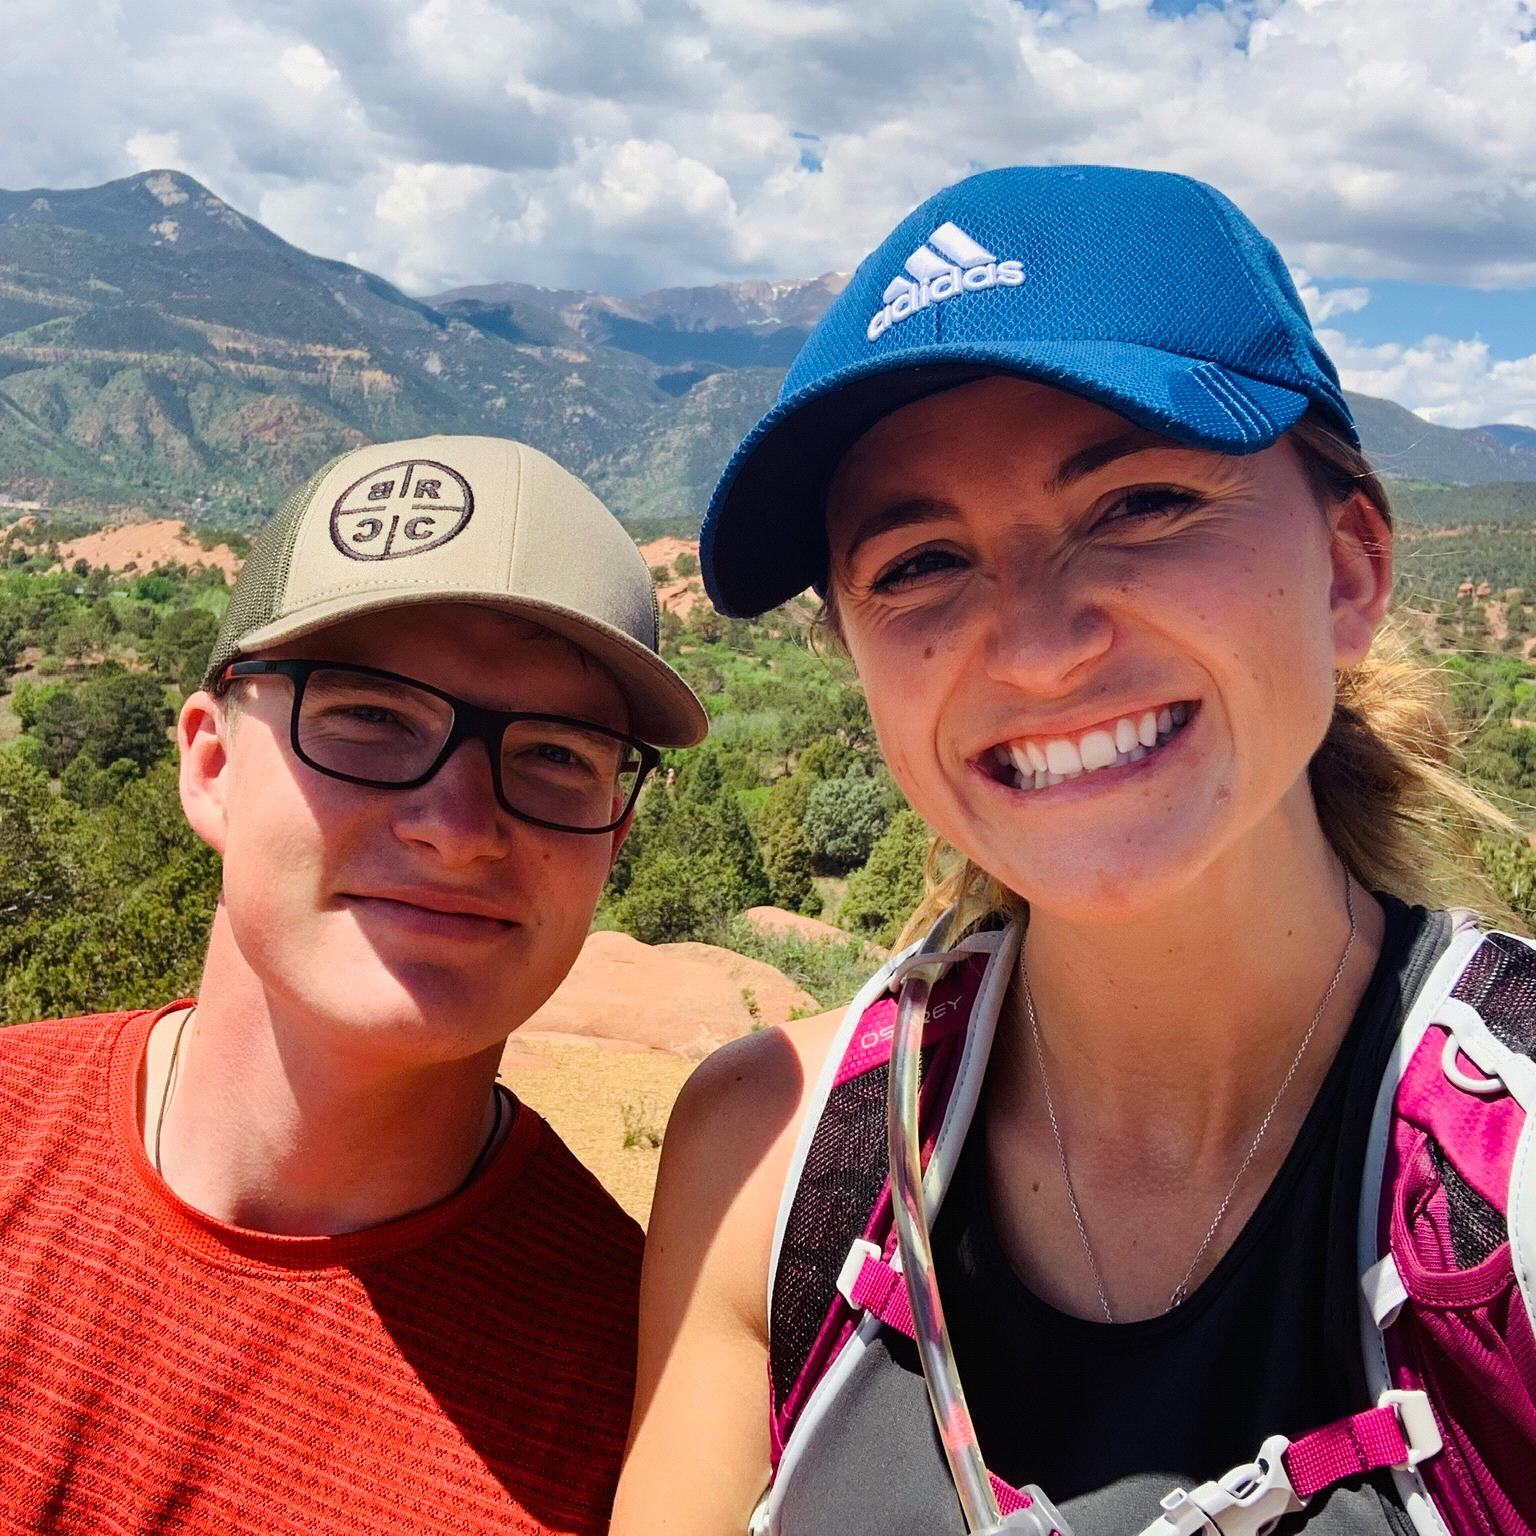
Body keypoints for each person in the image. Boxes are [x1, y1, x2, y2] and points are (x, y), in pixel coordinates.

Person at [612, 167, 1535, 1536]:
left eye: (1141, 504)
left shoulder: (1503, 1171)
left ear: (1349, 570)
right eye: (920, 562)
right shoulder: (775, 1163)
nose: (1041, 650)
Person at [0, 435, 706, 1535]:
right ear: (211, 766)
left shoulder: (649, 1427)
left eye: (557, 755)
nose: (459, 827)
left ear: (613, 839)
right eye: (372, 718)